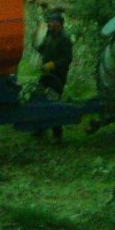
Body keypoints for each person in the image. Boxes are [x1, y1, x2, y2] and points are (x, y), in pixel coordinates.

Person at [36, 11, 73, 142]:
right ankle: (39, 128)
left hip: (58, 76)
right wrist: (36, 37)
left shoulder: (64, 39)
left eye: (52, 21)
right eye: (49, 21)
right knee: (39, 98)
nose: (49, 23)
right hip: (46, 75)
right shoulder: (48, 35)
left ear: (59, 24)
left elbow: (68, 58)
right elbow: (40, 49)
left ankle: (57, 134)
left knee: (53, 101)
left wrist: (53, 64)